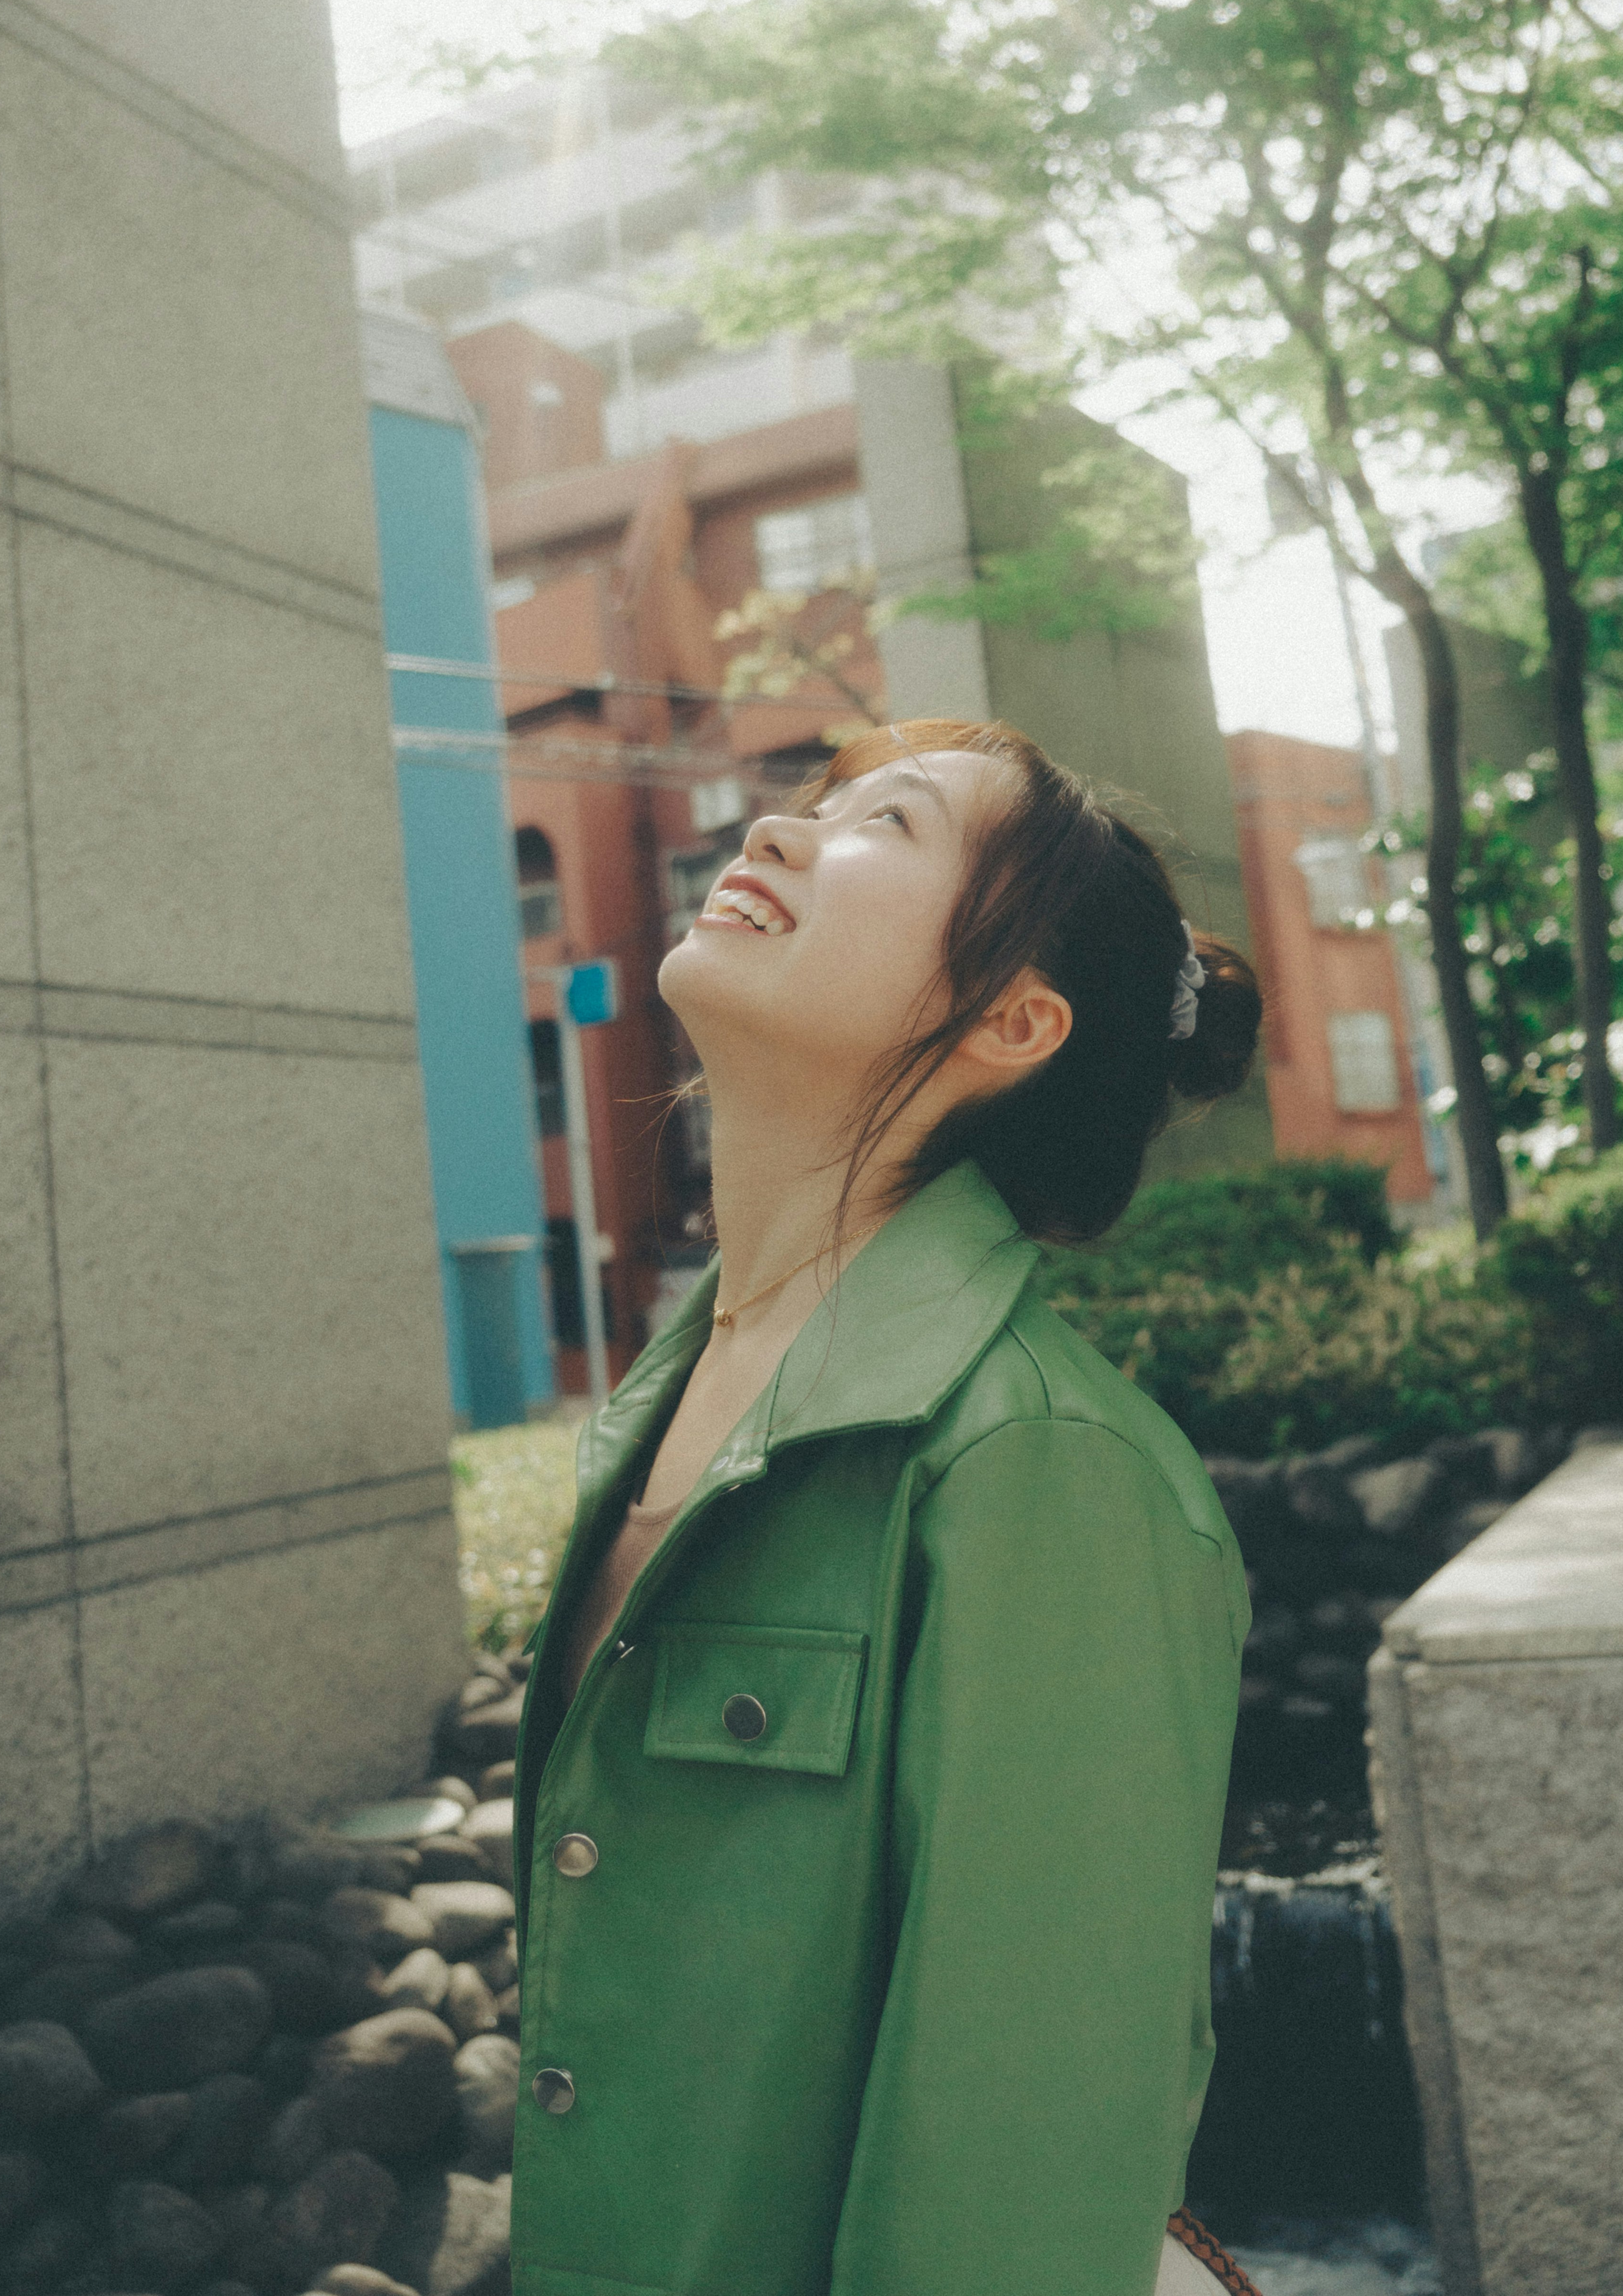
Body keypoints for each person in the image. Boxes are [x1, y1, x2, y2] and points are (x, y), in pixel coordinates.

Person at [509, 717, 1263, 2296]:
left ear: (1010, 1022)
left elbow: (1020, 2163)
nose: (780, 834)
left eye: (887, 826)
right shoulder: (667, 1397)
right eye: (817, 805)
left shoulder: (1043, 1464)